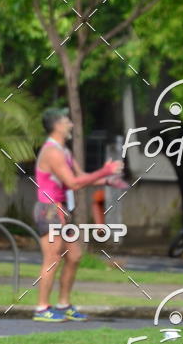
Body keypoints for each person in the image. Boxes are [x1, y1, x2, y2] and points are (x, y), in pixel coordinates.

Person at [33, 108, 122, 322]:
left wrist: (107, 180)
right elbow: (73, 183)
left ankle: (63, 304)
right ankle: (42, 308)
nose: (71, 124)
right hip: (50, 211)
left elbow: (81, 177)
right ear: (57, 125)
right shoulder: (52, 152)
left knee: (74, 256)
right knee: (53, 259)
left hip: (63, 210)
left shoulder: (64, 151)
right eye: (66, 121)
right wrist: (105, 171)